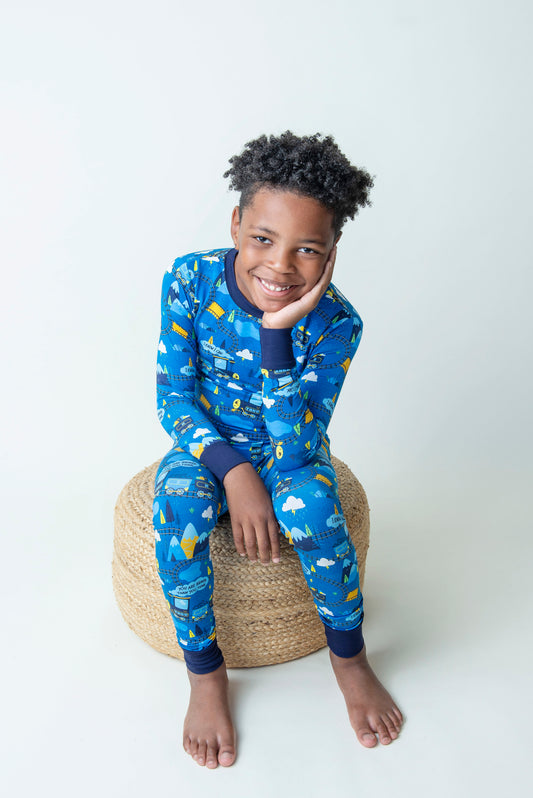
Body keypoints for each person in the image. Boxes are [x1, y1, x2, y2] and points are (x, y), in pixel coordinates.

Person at [153, 131, 404, 768]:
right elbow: (173, 398)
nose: (281, 266)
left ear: (332, 253)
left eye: (307, 250)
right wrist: (234, 472)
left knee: (316, 508)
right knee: (178, 509)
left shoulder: (337, 323)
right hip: (206, 446)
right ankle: (205, 673)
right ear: (236, 224)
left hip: (289, 447)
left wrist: (276, 334)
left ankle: (350, 660)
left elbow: (298, 447)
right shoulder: (190, 279)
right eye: (263, 238)